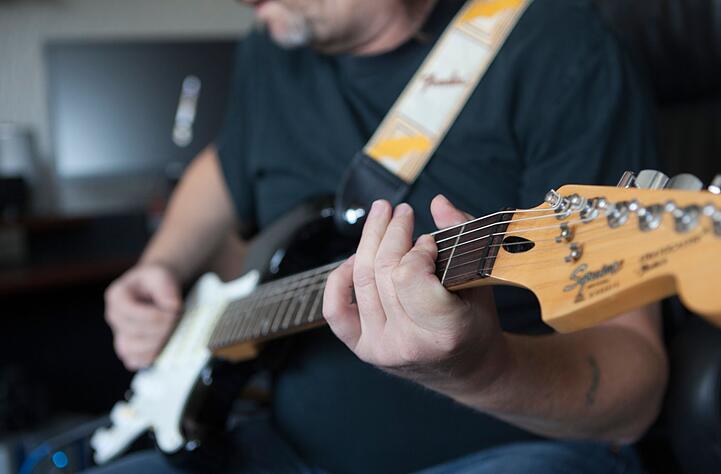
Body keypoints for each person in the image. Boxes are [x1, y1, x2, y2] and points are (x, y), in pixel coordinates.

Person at [98, 0, 668, 472]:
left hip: (504, 452)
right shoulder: (271, 47)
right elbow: (225, 164)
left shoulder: (560, 51)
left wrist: (479, 369)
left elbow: (635, 391)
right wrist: (162, 264)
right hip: (286, 450)